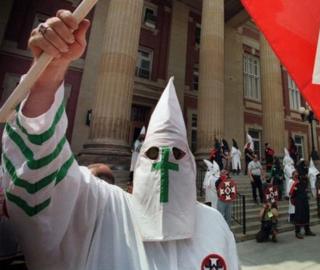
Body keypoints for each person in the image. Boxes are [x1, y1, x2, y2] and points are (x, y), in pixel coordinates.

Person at [1, 12, 239, 269]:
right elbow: (40, 183)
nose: (165, 164)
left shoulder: (215, 225)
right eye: (153, 154)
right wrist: (47, 78)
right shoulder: (102, 209)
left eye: (178, 154)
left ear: (191, 164)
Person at [290, 160, 316, 239]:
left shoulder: (304, 181)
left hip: (304, 199)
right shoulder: (296, 183)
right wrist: (295, 201)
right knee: (299, 215)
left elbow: (306, 187)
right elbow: (292, 193)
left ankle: (307, 229)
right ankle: (297, 231)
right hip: (298, 201)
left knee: (306, 214)